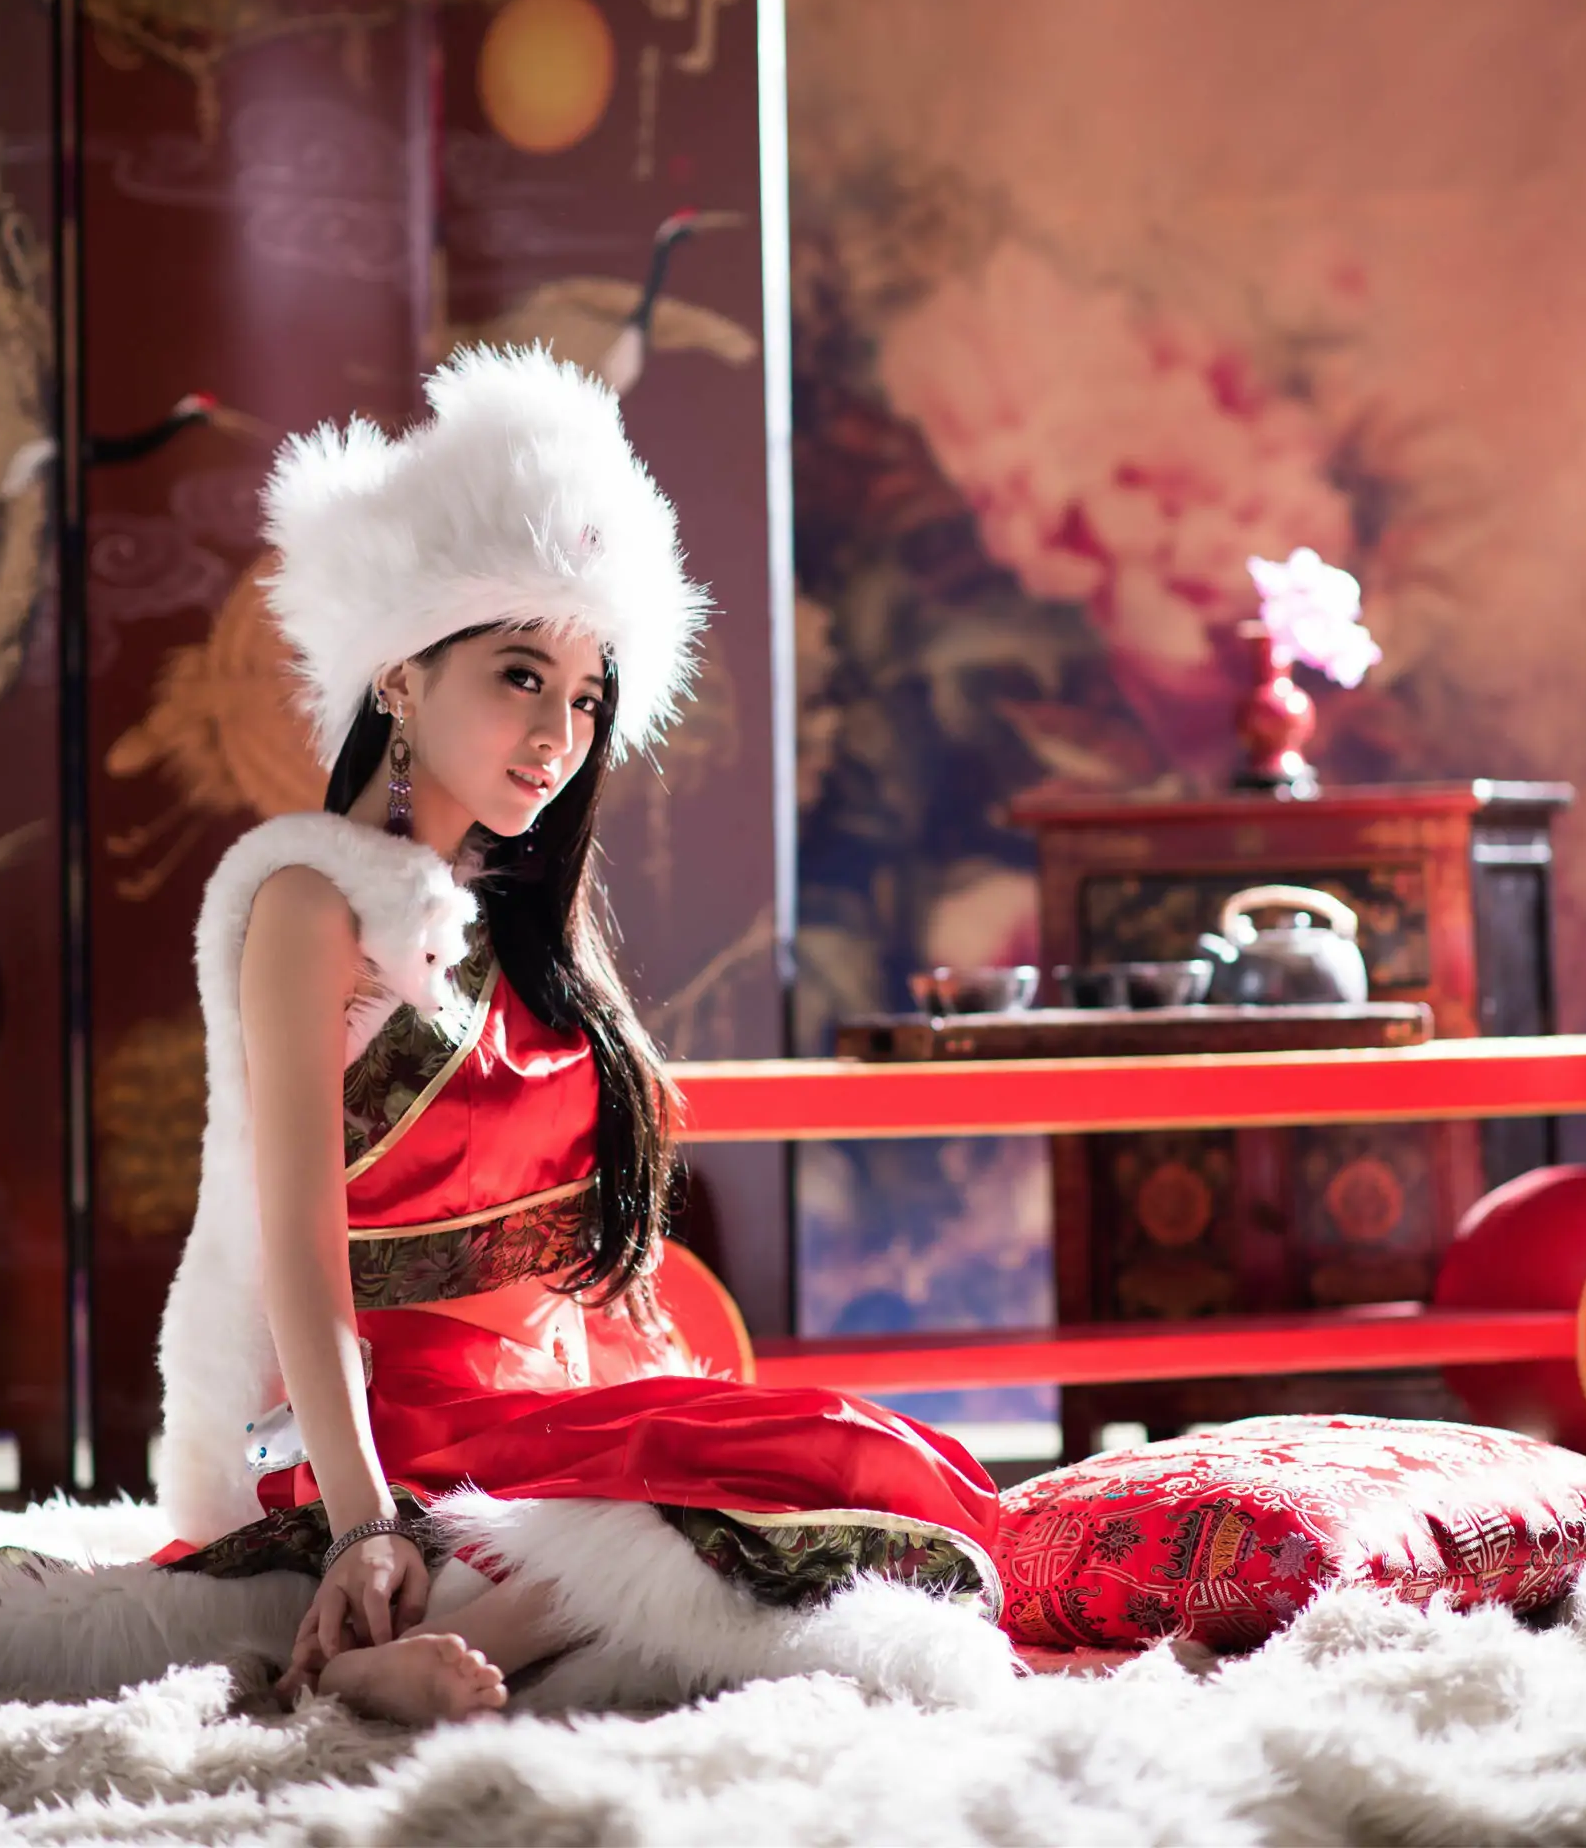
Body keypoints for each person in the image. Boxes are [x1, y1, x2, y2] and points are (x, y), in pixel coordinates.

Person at [143, 345, 1004, 1725]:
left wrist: (659, 1403)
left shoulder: (525, 923)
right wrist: (364, 1520)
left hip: (547, 1406)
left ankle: (469, 1631)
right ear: (401, 678)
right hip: (384, 1428)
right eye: (520, 675)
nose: (561, 731)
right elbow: (301, 1253)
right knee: (799, 1479)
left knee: (888, 1468)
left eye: (590, 695)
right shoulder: (312, 904)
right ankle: (400, 1638)